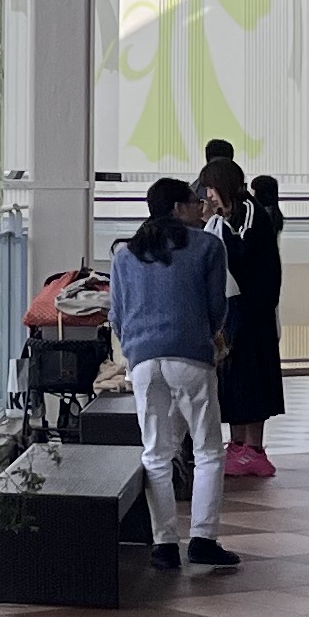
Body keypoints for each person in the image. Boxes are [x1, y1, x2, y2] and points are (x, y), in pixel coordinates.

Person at [110, 177, 235, 573]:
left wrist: (136, 348)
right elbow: (217, 308)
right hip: (191, 356)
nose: (201, 207)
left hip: (143, 361)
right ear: (178, 208)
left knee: (156, 453)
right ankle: (203, 539)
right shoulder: (208, 246)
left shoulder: (125, 254)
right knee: (208, 450)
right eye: (195, 202)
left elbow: (116, 315)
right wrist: (204, 337)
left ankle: (164, 545)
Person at [218, 171, 285, 484]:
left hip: (253, 311)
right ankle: (239, 444)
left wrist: (219, 231)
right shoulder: (234, 215)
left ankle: (253, 449)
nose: (207, 197)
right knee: (235, 377)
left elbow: (240, 252)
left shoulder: (250, 213)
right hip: (237, 309)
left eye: (211, 189)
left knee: (251, 376)